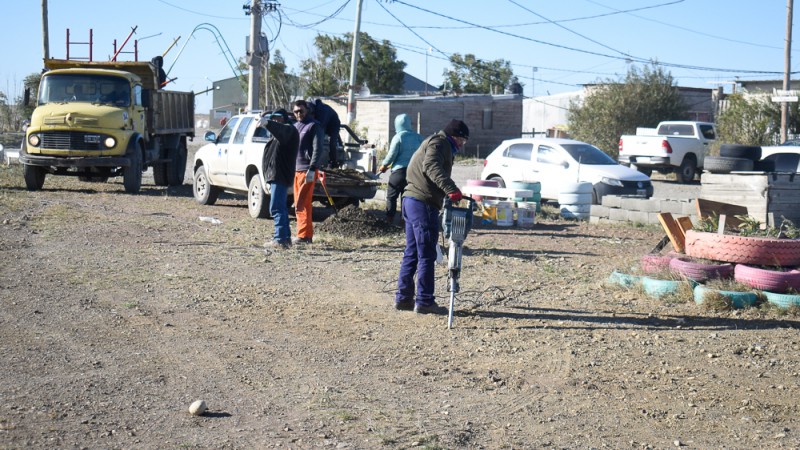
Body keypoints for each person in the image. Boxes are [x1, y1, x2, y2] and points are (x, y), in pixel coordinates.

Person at [393, 119, 469, 314]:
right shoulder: (440, 143)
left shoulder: (434, 141)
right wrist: (451, 189)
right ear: (454, 136)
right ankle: (425, 301)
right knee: (426, 253)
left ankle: (404, 299)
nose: (462, 145)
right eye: (462, 140)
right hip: (422, 202)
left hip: (411, 200)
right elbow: (431, 166)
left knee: (412, 252)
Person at [261, 109, 299, 249]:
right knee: (280, 207)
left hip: (280, 175)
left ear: (285, 118)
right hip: (277, 175)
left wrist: (268, 123)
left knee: (276, 207)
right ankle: (285, 239)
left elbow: (282, 130)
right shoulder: (278, 135)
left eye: (278, 118)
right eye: (273, 118)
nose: (275, 120)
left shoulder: (289, 131)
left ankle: (280, 239)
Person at [291, 100, 326, 245]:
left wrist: (313, 168)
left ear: (308, 111)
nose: (299, 114)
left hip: (307, 169)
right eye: (296, 111)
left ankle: (304, 236)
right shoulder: (295, 126)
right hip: (296, 169)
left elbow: (318, 149)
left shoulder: (314, 126)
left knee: (302, 203)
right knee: (300, 202)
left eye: (301, 111)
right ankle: (306, 235)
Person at [379, 113, 424, 224]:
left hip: (399, 172)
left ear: (397, 125)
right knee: (407, 197)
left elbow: (391, 155)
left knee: (391, 196)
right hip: (413, 173)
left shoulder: (398, 137)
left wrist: (384, 165)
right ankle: (404, 220)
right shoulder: (418, 137)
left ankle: (389, 219)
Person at [309, 98, 342, 168]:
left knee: (332, 143)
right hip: (324, 123)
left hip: (334, 125)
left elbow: (321, 126)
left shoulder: (323, 110)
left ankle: (333, 162)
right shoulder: (314, 109)